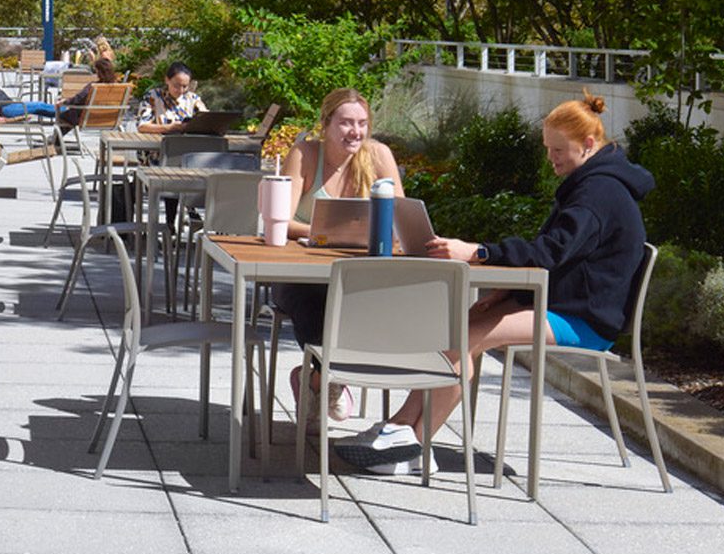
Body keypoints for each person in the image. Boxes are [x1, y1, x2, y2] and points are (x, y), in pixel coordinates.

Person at [352, 92, 654, 472]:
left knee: (464, 338)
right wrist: (504, 295)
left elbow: (550, 252)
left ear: (589, 145)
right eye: (548, 149)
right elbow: (565, 260)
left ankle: (411, 443)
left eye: (559, 150)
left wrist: (478, 252)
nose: (551, 158)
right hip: (568, 301)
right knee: (457, 329)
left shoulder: (599, 192)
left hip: (585, 318)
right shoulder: (591, 183)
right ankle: (400, 431)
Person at [272, 89, 402, 422]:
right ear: (326, 124)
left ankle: (317, 378)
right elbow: (281, 220)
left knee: (368, 300)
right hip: (300, 275)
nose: (354, 131)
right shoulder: (305, 154)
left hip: (357, 272)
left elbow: (400, 219)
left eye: (361, 123)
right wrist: (323, 234)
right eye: (345, 123)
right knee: (318, 298)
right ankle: (330, 375)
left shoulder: (379, 156)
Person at [0, 57, 58, 122]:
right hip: (7, 109)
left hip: (9, 106)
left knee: (39, 107)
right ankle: (65, 111)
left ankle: (63, 113)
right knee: (39, 105)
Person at [56, 55, 129, 129]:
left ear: (99, 72)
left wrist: (64, 102)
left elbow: (79, 98)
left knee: (66, 116)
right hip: (110, 119)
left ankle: (56, 140)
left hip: (88, 119)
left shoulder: (94, 86)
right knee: (71, 115)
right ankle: (56, 139)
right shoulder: (120, 88)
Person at [133, 62, 205, 135]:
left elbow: (207, 121)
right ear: (167, 80)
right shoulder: (153, 96)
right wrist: (169, 128)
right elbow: (142, 126)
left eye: (184, 86)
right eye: (176, 85)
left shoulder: (193, 99)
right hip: (159, 143)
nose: (180, 90)